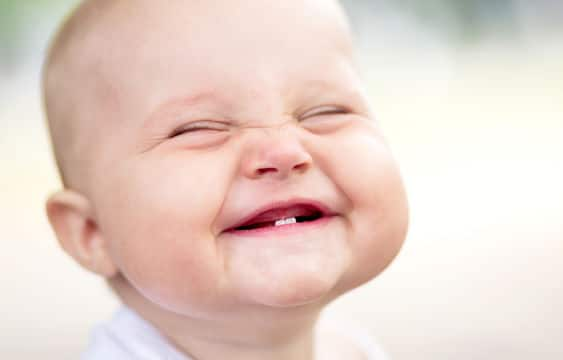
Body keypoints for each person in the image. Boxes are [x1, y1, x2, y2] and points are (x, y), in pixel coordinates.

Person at [42, 0, 409, 359]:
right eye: (197, 128)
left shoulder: (353, 348)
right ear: (92, 231)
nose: (284, 152)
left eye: (325, 111)